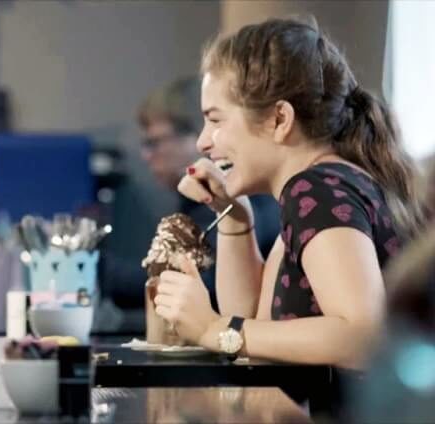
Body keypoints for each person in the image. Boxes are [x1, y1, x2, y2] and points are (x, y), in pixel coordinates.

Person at [154, 17, 425, 368]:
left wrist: (211, 327)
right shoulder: (319, 188)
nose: (203, 142)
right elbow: (254, 325)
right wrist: (236, 217)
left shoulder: (316, 190)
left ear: (280, 119)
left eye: (216, 120)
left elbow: (362, 338)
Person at [104, 78, 279, 309]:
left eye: (154, 142)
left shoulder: (241, 198)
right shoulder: (200, 200)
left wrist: (91, 265)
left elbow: (199, 288)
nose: (147, 156)